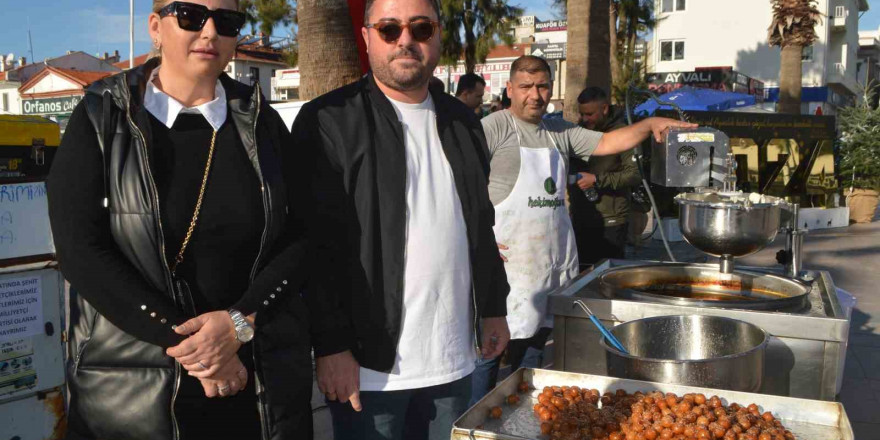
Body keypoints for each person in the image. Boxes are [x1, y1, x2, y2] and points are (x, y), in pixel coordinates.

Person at [47, 1, 313, 439]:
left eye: (226, 22)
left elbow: (301, 236)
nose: (210, 32)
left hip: (254, 386)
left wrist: (238, 324)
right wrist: (200, 349)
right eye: (190, 16)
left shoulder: (261, 120)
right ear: (156, 27)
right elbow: (80, 252)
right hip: (131, 396)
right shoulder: (101, 117)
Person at [292, 0, 510, 439]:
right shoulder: (329, 121)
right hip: (369, 372)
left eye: (420, 28)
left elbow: (479, 226)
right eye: (390, 29)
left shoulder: (464, 123)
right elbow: (313, 247)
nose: (406, 40)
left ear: (437, 38)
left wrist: (492, 307)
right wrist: (331, 346)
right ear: (367, 37)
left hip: (453, 363)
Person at [472, 55, 695, 404]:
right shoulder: (493, 128)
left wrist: (649, 123)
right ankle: (473, 419)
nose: (536, 95)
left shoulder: (559, 131)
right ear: (511, 89)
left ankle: (518, 414)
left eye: (543, 86)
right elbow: (462, 186)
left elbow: (608, 143)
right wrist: (477, 240)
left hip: (547, 263)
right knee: (489, 351)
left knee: (533, 351)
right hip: (506, 267)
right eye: (527, 87)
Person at [569, 86, 641, 267]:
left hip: (611, 221)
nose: (585, 119)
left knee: (606, 276)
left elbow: (634, 174)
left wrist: (596, 180)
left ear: (605, 109)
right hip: (580, 218)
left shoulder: (624, 134)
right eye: (582, 114)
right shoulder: (580, 131)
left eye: (590, 114)